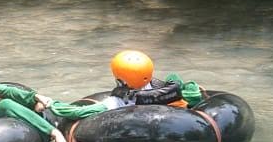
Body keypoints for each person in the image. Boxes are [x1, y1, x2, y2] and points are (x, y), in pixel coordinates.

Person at [47, 49, 204, 122]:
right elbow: (185, 86)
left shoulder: (119, 101)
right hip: (179, 121)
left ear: (120, 80)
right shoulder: (170, 90)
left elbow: (78, 113)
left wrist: (52, 104)